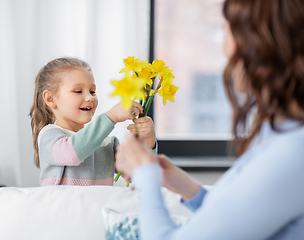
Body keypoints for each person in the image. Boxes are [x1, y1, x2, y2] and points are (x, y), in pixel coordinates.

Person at [115, 0, 304, 239]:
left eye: (227, 33)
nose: (225, 48)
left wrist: (144, 175)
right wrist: (188, 188)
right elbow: (236, 223)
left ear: (260, 44)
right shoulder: (281, 134)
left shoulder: (291, 153)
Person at [29, 57, 157, 186]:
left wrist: (148, 141)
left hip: (97, 206)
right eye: (78, 91)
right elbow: (72, 153)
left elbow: (139, 173)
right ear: (50, 98)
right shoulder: (49, 136)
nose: (89, 97)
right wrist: (111, 117)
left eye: (92, 91)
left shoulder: (107, 143)